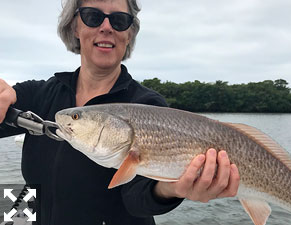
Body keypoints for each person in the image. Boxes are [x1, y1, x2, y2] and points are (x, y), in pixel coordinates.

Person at [0, 0, 240, 224]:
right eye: (92, 16)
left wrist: (171, 189)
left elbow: (135, 201)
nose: (106, 27)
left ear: (129, 33)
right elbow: (36, 189)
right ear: (74, 27)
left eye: (119, 20)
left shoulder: (150, 107)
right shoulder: (39, 93)